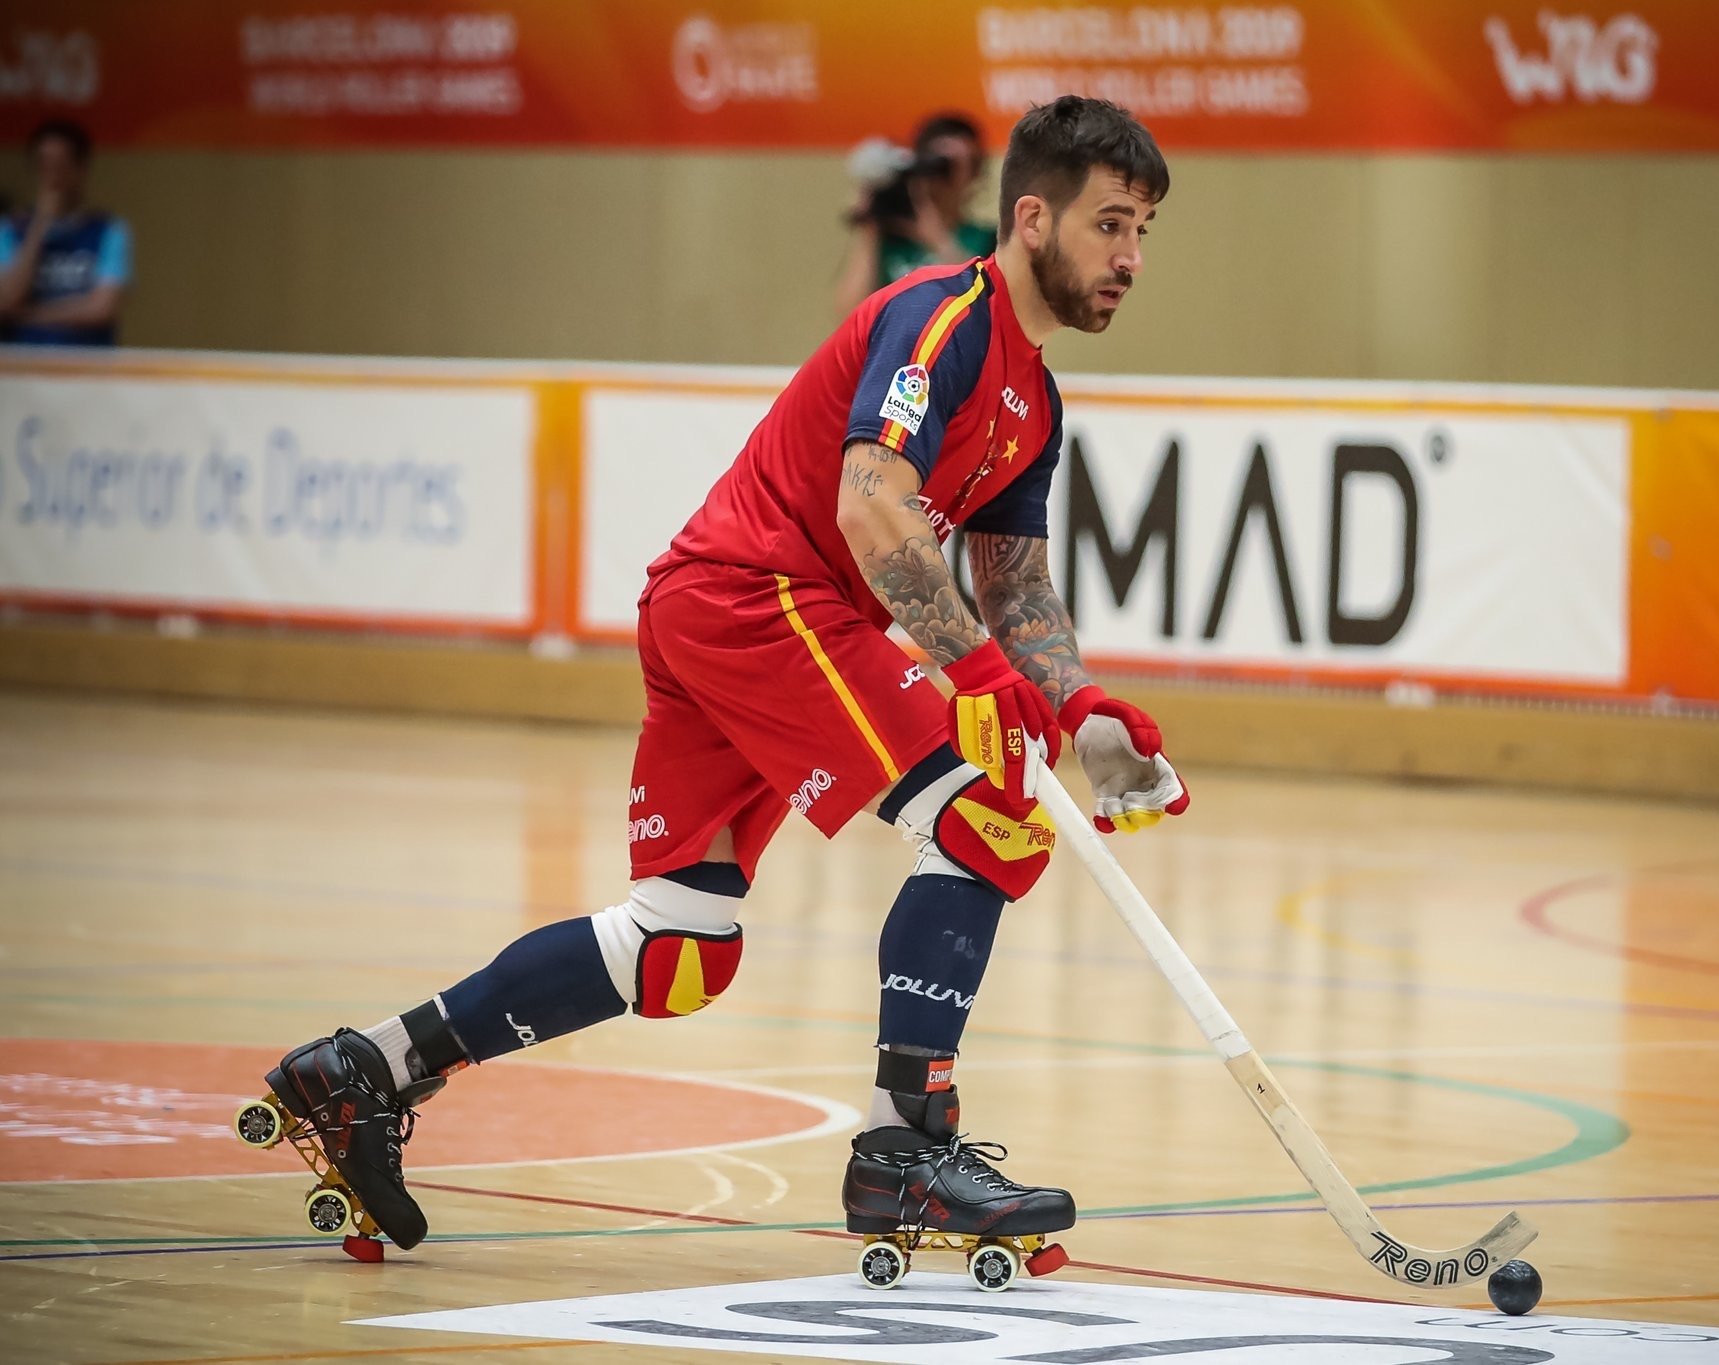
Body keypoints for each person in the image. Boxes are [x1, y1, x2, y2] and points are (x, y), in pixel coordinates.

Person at [252, 96, 1187, 1260]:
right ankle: (905, 1151)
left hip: (726, 610)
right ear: (1033, 216)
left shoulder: (1033, 403)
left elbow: (1015, 588)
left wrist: (1080, 708)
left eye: (1144, 230)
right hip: (760, 601)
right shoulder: (942, 318)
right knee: (988, 816)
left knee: (676, 947)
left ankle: (369, 1070)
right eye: (1111, 225)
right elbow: (869, 503)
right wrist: (980, 678)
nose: (1131, 258)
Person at [833, 112, 998, 316]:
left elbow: (987, 308)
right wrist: (870, 226)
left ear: (976, 172)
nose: (945, 176)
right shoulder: (890, 240)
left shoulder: (987, 240)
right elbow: (850, 314)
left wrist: (937, 240)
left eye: (960, 165)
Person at [0, 119, 130, 346]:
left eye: (61, 165)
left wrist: (29, 314)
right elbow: (7, 300)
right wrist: (39, 225)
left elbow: (102, 309)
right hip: (20, 363)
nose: (52, 177)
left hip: (85, 364)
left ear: (81, 168)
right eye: (44, 165)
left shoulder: (108, 231)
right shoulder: (11, 229)